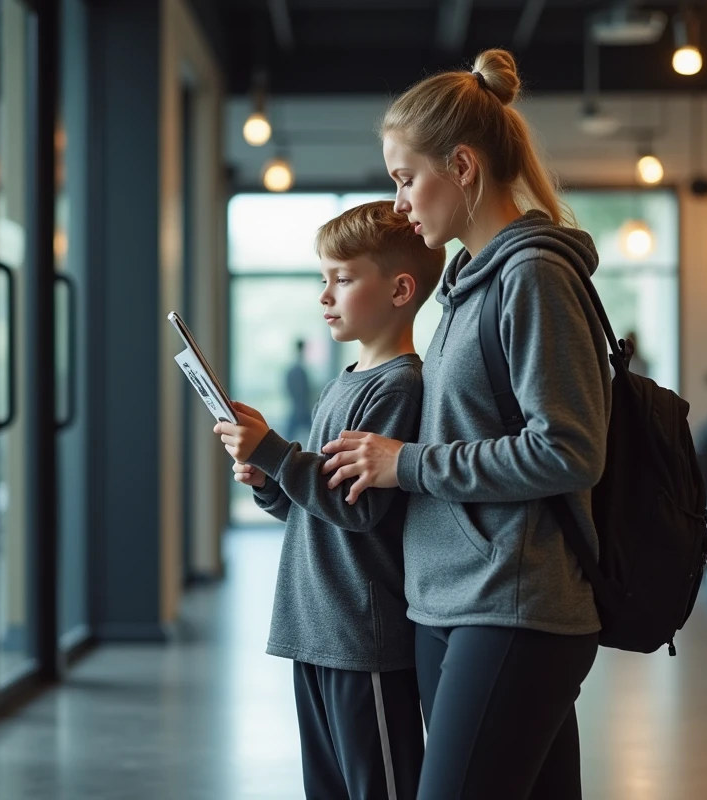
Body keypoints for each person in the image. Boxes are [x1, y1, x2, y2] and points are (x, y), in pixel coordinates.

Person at [319, 49, 612, 799]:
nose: (400, 202)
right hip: (447, 602)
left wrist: (406, 462)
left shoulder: (533, 276)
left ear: (462, 166)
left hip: (515, 606)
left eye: (405, 177)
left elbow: (570, 449)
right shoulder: (461, 290)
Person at [213, 200, 445, 799]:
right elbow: (313, 505)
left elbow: (359, 508)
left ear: (400, 289)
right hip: (313, 628)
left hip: (360, 637)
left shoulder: (400, 386)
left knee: (378, 787)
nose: (325, 296)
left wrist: (277, 455)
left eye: (342, 279)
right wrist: (270, 481)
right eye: (324, 279)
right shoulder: (345, 381)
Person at [284, 339, 313, 445]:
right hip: (300, 407)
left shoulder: (296, 368)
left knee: (289, 436)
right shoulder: (298, 369)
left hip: (299, 407)